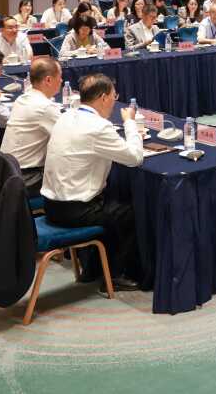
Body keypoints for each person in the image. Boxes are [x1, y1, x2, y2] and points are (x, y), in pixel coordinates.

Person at [41, 73, 143, 286]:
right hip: (75, 211)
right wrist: (130, 123)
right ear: (104, 97)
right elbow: (135, 158)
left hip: (50, 205)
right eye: (114, 96)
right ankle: (114, 276)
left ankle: (94, 270)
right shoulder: (99, 127)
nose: (115, 101)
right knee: (129, 214)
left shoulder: (66, 115)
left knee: (111, 203)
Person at [0, 57, 63, 196]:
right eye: (60, 76)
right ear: (48, 80)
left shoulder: (22, 98)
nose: (61, 81)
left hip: (6, 172)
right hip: (26, 178)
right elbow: (68, 136)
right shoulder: (44, 107)